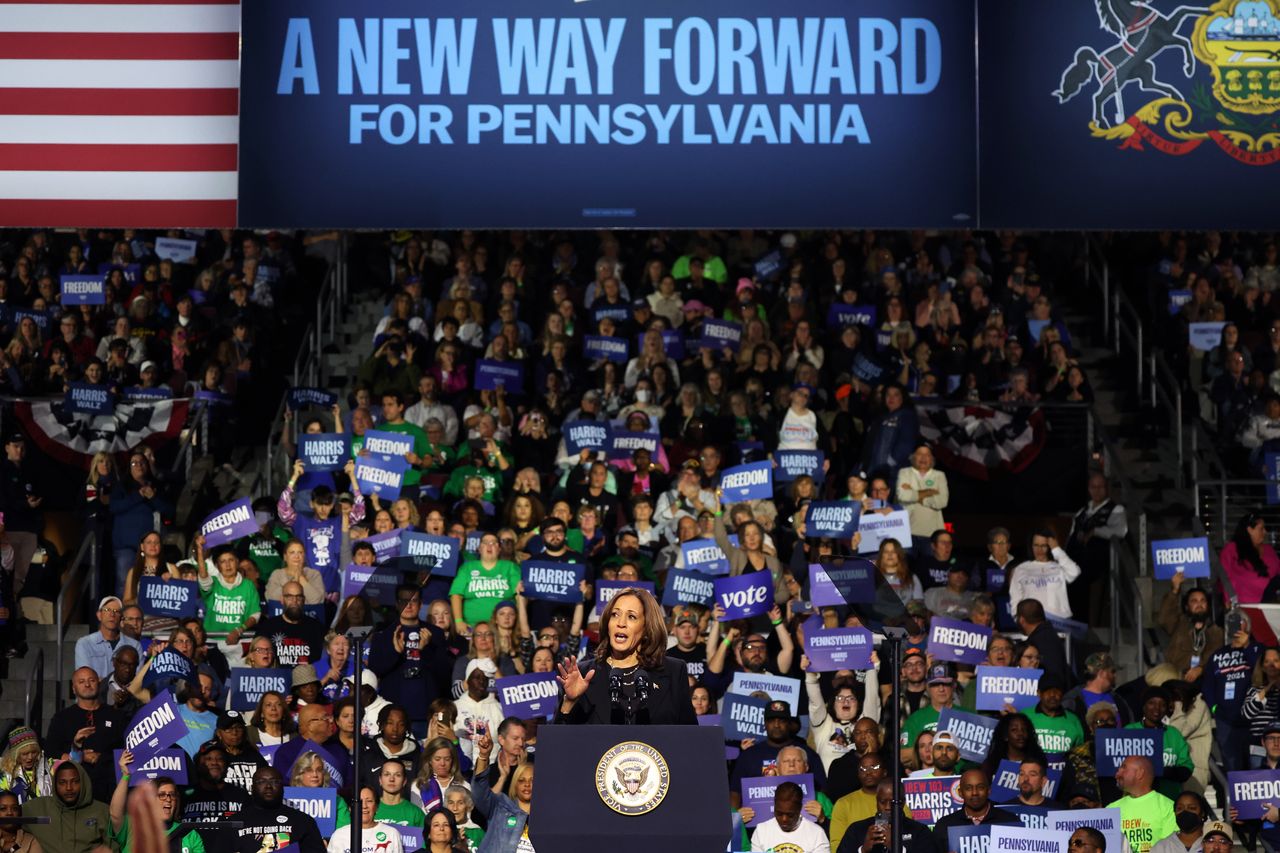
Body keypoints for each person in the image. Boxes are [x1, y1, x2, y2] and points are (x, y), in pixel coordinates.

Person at [554, 587, 695, 725]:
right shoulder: (583, 674)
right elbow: (560, 743)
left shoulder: (673, 671)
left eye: (631, 617)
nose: (621, 623)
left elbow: (690, 737)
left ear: (647, 628)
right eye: (615, 614)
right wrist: (569, 703)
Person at [43, 667, 125, 801]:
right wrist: (76, 757)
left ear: (99, 683)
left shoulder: (116, 716)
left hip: (109, 788)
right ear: (73, 688)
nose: (87, 684)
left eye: (91, 680)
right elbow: (50, 751)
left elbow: (125, 748)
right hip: (74, 789)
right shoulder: (62, 718)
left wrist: (102, 757)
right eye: (81, 681)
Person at [109, 754, 204, 853]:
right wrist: (125, 776)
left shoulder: (189, 834)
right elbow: (115, 814)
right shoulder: (133, 827)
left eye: (172, 795)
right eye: (162, 795)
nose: (168, 799)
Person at [1065, 472, 1128, 622]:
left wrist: (1096, 532)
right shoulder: (1082, 511)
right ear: (1088, 489)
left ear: (1106, 489)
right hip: (1076, 566)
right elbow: (1071, 536)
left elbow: (1121, 531)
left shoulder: (1116, 509)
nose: (1097, 490)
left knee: (1094, 606)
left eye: (1101, 487)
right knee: (1075, 604)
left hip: (1098, 567)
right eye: (1093, 487)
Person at [21, 761, 111, 853]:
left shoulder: (101, 811)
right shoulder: (38, 808)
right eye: (62, 782)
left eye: (75, 782)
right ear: (55, 784)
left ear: (83, 782)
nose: (69, 788)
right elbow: (8, 820)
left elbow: (113, 846)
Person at [232, 767, 325, 853]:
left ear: (283, 788)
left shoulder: (303, 821)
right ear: (252, 788)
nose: (268, 786)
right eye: (261, 782)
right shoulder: (234, 822)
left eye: (274, 782)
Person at [470, 728, 532, 853]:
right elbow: (480, 790)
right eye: (521, 780)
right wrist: (483, 756)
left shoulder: (548, 816)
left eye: (532, 781)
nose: (526, 784)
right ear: (515, 783)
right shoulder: (500, 807)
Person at [931, 769, 1020, 853]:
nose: (974, 793)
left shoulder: (1010, 821)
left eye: (980, 787)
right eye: (968, 788)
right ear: (960, 793)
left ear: (988, 790)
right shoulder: (944, 825)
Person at [1157, 576, 1223, 684]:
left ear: (1208, 606)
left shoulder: (1217, 632)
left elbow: (1218, 660)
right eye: (1194, 601)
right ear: (1187, 606)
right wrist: (1174, 590)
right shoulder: (1179, 623)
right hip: (1176, 677)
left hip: (1203, 680)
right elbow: (1164, 618)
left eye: (1203, 601)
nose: (1199, 604)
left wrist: (1201, 669)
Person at [837, 780, 933, 853]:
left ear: (903, 802)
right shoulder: (857, 829)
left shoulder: (919, 831)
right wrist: (862, 850)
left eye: (892, 802)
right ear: (876, 801)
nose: (887, 807)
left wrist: (896, 848)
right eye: (882, 802)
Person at [1008, 531, 1081, 620]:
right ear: (1031, 546)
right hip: (1032, 622)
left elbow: (1075, 572)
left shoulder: (1059, 567)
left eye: (1043, 546)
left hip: (1061, 621)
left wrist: (1056, 549)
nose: (1039, 550)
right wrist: (1017, 620)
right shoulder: (1021, 569)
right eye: (1036, 545)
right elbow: (1015, 598)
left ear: (1049, 547)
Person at [1109, 756, 1176, 853]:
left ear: (1140, 773)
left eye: (1124, 768)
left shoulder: (1168, 807)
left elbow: (1170, 848)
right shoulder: (1111, 808)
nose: (1117, 774)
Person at [255, 581, 326, 667]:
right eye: (289, 597)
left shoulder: (316, 628)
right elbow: (255, 658)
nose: (295, 601)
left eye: (298, 597)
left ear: (303, 600)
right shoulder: (267, 627)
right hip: (276, 677)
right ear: (282, 599)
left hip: (307, 678)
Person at [749, 781, 830, 853]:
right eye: (779, 813)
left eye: (790, 815)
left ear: (799, 809)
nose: (784, 819)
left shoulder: (817, 834)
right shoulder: (761, 831)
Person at [73, 596, 142, 680]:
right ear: (99, 615)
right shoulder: (84, 643)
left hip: (125, 693)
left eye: (116, 611)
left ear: (121, 618)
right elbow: (85, 679)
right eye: (107, 610)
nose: (112, 614)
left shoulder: (134, 645)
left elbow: (137, 679)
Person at [1220, 512, 1279, 604]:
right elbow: (1224, 578)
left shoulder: (1269, 550)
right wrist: (1229, 602)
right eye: (1261, 529)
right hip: (1243, 607)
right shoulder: (1231, 549)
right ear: (1250, 530)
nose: (1265, 532)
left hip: (1270, 606)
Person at [326, 785, 405, 853]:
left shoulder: (392, 834)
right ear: (350, 808)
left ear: (376, 807)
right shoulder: (339, 835)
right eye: (359, 802)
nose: (364, 806)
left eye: (369, 801)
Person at [895, 445, 948, 540]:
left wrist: (913, 492)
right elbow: (902, 496)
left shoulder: (939, 475)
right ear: (913, 457)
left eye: (927, 455)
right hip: (907, 532)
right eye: (919, 454)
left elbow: (942, 502)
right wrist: (928, 492)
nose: (923, 457)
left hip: (933, 535)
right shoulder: (904, 472)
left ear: (932, 459)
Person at [1014, 599, 1072, 686]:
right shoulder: (1048, 635)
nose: (1034, 661)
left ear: (1022, 620)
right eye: (1029, 657)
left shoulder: (1040, 641)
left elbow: (1053, 674)